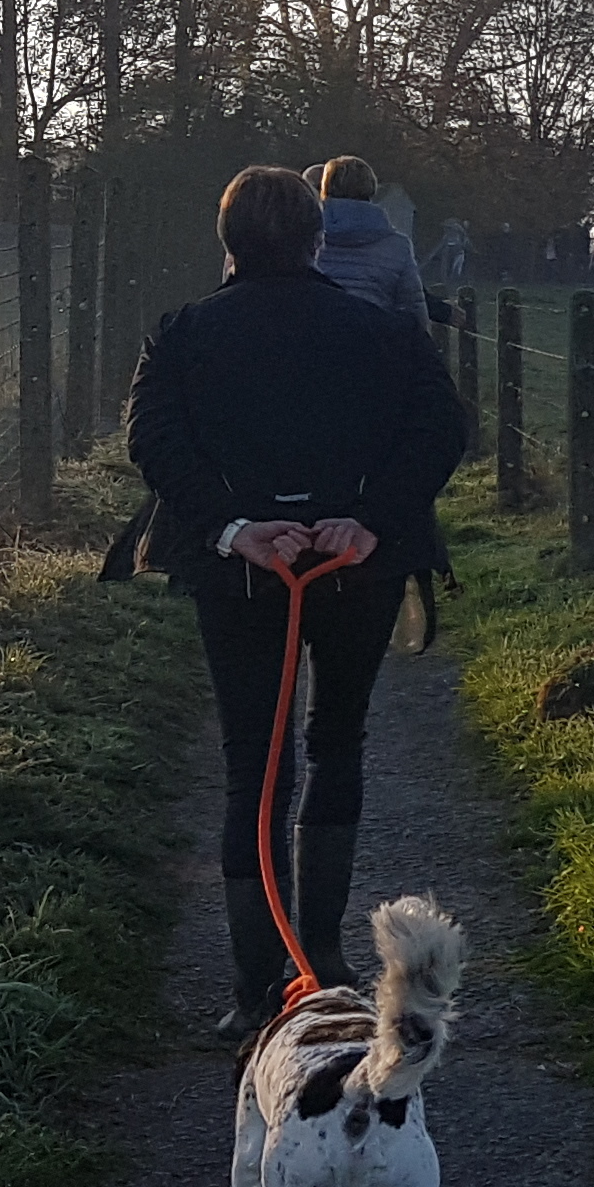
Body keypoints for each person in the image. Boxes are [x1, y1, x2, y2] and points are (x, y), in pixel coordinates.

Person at [130, 165, 469, 1037]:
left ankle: (255, 990)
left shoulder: (184, 333)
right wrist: (367, 521)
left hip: (240, 569)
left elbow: (153, 437)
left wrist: (233, 526)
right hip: (357, 566)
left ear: (229, 243)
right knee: (337, 741)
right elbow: (442, 428)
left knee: (256, 759)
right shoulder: (387, 335)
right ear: (318, 241)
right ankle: (323, 962)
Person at [312, 155, 428, 325]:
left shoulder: (305, 239)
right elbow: (413, 308)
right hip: (376, 341)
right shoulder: (397, 246)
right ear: (370, 187)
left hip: (316, 338)